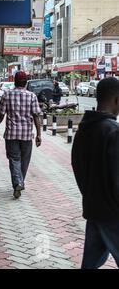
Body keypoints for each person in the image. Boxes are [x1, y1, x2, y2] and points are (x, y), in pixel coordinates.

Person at [71, 77, 119, 269]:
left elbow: (77, 166)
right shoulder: (113, 132)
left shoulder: (83, 129)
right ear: (116, 99)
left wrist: (90, 195)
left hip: (93, 208)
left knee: (90, 263)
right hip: (112, 215)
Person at [0, 71, 42, 199]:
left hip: (11, 135)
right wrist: (39, 135)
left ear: (14, 81)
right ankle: (20, 182)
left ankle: (18, 183)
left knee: (14, 160)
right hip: (26, 135)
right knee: (24, 160)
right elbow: (36, 116)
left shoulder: (7, 95)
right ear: (26, 82)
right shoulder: (32, 96)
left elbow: (1, 114)